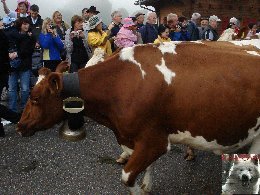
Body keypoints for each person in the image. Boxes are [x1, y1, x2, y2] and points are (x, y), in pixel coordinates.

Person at [8, 17, 35, 113]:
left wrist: (17, 54)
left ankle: (24, 109)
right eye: (24, 24)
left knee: (25, 89)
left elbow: (29, 51)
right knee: (11, 89)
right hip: (12, 66)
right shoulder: (12, 35)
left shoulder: (31, 37)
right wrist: (8, 54)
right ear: (20, 25)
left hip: (25, 65)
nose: (26, 25)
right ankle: (12, 111)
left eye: (27, 24)